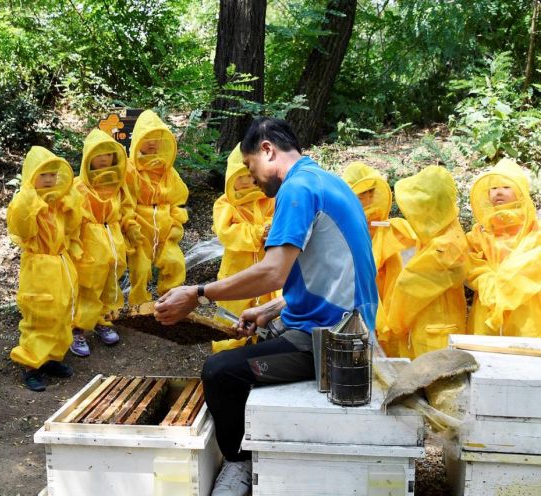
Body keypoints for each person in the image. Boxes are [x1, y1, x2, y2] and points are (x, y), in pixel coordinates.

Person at [154, 117, 378, 496]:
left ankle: (240, 463)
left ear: (268, 150)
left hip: (333, 344)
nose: (252, 177)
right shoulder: (327, 182)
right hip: (346, 327)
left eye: (249, 166)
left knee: (221, 372)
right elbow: (329, 272)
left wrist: (198, 292)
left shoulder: (297, 189)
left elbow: (274, 270)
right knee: (250, 346)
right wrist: (272, 309)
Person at [7, 146, 83, 391]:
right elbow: (22, 230)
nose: (49, 179)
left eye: (53, 174)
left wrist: (70, 204)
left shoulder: (57, 202)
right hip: (39, 267)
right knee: (39, 316)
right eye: (43, 174)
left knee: (62, 314)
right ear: (31, 176)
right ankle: (31, 366)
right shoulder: (25, 202)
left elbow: (72, 229)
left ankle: (52, 357)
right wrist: (32, 202)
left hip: (61, 263)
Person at [70, 129, 140, 356]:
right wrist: (74, 244)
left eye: (108, 153)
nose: (103, 157)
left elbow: (127, 209)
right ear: (88, 157)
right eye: (97, 153)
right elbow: (70, 217)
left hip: (113, 239)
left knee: (111, 284)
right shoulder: (78, 186)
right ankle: (77, 331)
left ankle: (104, 321)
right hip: (90, 241)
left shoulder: (118, 185)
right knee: (88, 287)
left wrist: (131, 228)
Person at [387, 165, 468, 358]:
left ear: (431, 206)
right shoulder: (444, 233)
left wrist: (394, 326)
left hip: (436, 334)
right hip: (432, 328)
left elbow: (410, 286)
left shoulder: (445, 247)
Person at [342, 161, 416, 357]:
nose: (366, 199)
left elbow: (409, 269)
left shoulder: (396, 229)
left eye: (370, 193)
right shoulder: (339, 232)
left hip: (394, 310)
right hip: (358, 311)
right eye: (360, 195)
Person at [212, 143, 276, 352]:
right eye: (241, 176)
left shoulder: (271, 199)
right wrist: (259, 233)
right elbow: (227, 233)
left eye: (250, 175)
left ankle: (259, 355)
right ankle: (224, 353)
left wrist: (269, 229)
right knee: (230, 314)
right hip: (236, 271)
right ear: (231, 178)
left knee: (264, 314)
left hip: (266, 270)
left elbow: (277, 222)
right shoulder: (225, 204)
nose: (248, 181)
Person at [466, 158, 541, 337]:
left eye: (506, 187)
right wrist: (487, 281)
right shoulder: (480, 230)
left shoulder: (534, 229)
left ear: (521, 191)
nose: (499, 192)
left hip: (524, 306)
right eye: (493, 188)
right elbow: (469, 260)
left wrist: (507, 278)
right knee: (486, 358)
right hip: (487, 305)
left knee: (523, 355)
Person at [124, 110, 189, 305]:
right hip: (141, 232)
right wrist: (130, 225)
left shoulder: (169, 171)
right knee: (140, 271)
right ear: (137, 140)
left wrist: (177, 224)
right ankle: (139, 304)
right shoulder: (130, 170)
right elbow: (125, 201)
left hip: (165, 230)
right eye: (147, 137)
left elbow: (177, 200)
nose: (152, 142)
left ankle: (171, 301)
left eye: (156, 137)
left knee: (175, 263)